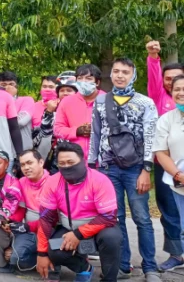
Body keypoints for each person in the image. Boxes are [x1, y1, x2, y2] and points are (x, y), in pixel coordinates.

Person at [88, 58, 160, 281]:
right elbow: (95, 134)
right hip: (108, 169)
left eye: (125, 72)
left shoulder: (145, 103)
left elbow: (151, 137)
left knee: (142, 218)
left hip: (136, 168)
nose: (120, 76)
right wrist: (92, 165)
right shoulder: (101, 102)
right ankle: (123, 265)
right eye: (116, 71)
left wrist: (146, 169)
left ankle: (150, 267)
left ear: (133, 75)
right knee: (115, 218)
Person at [37, 142, 121, 282]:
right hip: (69, 227)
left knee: (111, 239)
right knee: (54, 252)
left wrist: (78, 234)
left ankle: (109, 279)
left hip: (100, 227)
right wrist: (41, 253)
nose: (66, 166)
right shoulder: (52, 182)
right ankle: (84, 268)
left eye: (71, 162)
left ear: (83, 161)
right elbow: (46, 219)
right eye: (61, 163)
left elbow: (108, 216)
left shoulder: (100, 180)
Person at [147, 41, 184, 272]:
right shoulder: (161, 98)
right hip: (167, 164)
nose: (172, 83)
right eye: (168, 79)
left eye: (177, 78)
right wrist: (153, 57)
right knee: (170, 210)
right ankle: (176, 254)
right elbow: (153, 79)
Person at [8, 149, 52, 274]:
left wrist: (27, 226)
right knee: (15, 260)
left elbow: (53, 219)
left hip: (49, 229)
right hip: (28, 230)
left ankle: (51, 262)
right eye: (22, 165)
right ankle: (39, 259)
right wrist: (12, 222)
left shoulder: (53, 182)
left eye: (29, 163)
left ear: (41, 162)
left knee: (52, 250)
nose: (26, 168)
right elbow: (21, 209)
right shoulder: (22, 182)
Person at [54, 66, 99, 160]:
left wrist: (96, 129)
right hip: (75, 159)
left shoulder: (107, 100)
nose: (84, 82)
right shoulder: (67, 102)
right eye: (80, 78)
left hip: (102, 160)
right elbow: (57, 129)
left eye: (89, 78)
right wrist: (76, 131)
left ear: (97, 82)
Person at [0, 71, 35, 153]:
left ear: (16, 86)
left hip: (23, 152)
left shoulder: (27, 100)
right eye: (3, 85)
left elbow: (20, 122)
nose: (8, 87)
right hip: (0, 153)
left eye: (11, 84)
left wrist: (9, 97)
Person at [32, 76, 60, 161]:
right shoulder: (33, 106)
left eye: (51, 87)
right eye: (44, 86)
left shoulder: (63, 106)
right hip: (37, 150)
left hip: (58, 150)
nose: (47, 89)